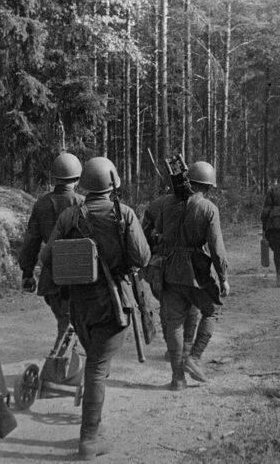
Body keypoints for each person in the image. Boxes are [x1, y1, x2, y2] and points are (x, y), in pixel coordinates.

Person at [40, 157, 150, 460]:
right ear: (112, 185)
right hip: (113, 304)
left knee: (96, 363)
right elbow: (142, 258)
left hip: (79, 306)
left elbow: (47, 258)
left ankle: (94, 428)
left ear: (85, 185)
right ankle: (88, 439)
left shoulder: (68, 217)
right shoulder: (123, 215)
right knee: (97, 368)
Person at [155, 161, 230, 390]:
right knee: (212, 310)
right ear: (206, 186)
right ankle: (194, 358)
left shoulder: (166, 203)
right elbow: (217, 249)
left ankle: (177, 379)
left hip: (168, 269)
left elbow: (156, 232)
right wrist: (223, 277)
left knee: (174, 323)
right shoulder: (208, 208)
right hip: (195, 270)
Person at [19, 153, 84, 343]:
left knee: (64, 317)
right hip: (81, 272)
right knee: (71, 321)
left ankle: (68, 356)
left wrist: (27, 273)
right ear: (78, 178)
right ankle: (62, 362)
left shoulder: (42, 204)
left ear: (54, 178)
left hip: (52, 273)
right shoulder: (82, 203)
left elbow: (31, 242)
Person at [141, 188, 200, 358]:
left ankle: (172, 350)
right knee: (192, 308)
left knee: (168, 308)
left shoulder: (155, 205)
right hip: (191, 266)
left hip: (161, 267)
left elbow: (144, 240)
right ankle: (186, 349)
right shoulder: (197, 203)